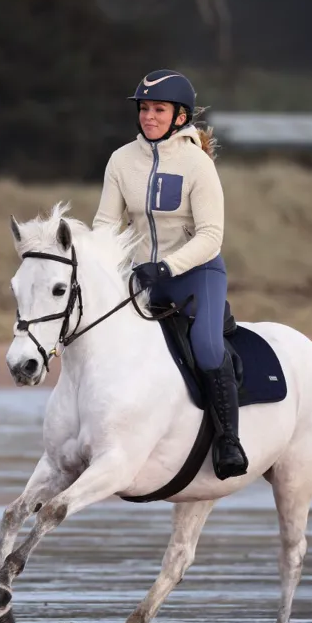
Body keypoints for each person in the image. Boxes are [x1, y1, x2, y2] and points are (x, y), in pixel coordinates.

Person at [92, 69, 248, 480]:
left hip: (197, 275)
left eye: (158, 109)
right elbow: (106, 225)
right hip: (142, 278)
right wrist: (104, 264)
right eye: (144, 108)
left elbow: (211, 236)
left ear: (180, 117)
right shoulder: (121, 160)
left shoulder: (197, 164)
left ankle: (229, 441)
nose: (148, 116)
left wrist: (166, 267)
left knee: (207, 348)